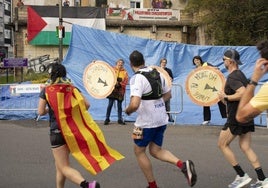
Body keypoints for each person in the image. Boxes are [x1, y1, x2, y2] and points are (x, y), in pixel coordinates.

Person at [125, 50, 197, 188]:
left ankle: (152, 186)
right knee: (155, 150)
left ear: (131, 63)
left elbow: (134, 104)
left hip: (145, 122)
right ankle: (183, 165)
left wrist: (127, 111)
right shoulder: (157, 73)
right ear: (143, 61)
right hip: (161, 118)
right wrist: (156, 104)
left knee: (139, 151)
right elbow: (168, 95)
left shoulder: (137, 78)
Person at [38, 63, 100, 188]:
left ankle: (87, 185)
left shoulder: (47, 90)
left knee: (64, 166)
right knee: (60, 166)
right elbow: (86, 105)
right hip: (71, 130)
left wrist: (51, 110)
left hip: (57, 131)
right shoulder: (72, 88)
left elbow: (40, 111)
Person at [217, 49, 267, 188]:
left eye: (224, 59)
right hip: (246, 115)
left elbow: (243, 93)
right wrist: (225, 98)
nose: (223, 62)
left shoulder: (233, 77)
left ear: (230, 61)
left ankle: (241, 175)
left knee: (222, 144)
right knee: (245, 146)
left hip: (236, 117)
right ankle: (263, 179)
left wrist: (226, 97)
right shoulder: (241, 75)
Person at [236, 40, 268, 187]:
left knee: (225, 144)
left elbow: (241, 115)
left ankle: (250, 177)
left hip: (237, 118)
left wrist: (255, 79)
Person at [192, 55, 227, 125]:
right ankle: (206, 119)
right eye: (195, 60)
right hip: (204, 89)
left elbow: (216, 68)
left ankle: (227, 117)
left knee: (220, 101)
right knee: (205, 103)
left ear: (200, 60)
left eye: (197, 60)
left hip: (213, 86)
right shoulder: (195, 70)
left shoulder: (206, 64)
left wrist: (213, 68)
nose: (196, 61)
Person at [104, 59, 128, 125]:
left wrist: (120, 84)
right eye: (119, 62)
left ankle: (119, 119)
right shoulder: (112, 69)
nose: (120, 64)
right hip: (113, 90)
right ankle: (107, 118)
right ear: (116, 63)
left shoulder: (125, 72)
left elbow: (126, 81)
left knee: (119, 105)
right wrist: (114, 82)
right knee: (110, 104)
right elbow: (108, 77)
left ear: (123, 64)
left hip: (120, 90)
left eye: (121, 63)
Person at [160, 58, 174, 122]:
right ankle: (160, 117)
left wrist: (170, 79)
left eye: (165, 62)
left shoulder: (169, 70)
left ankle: (168, 117)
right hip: (159, 90)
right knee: (159, 104)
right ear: (160, 63)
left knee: (167, 104)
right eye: (163, 62)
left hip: (167, 90)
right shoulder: (157, 70)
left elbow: (172, 79)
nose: (164, 63)